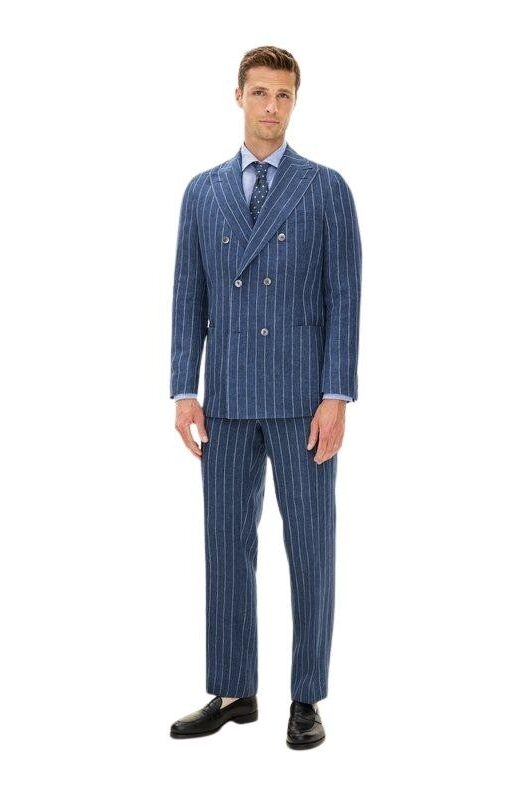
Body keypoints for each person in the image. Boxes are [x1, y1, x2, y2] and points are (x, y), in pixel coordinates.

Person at [168, 45, 362, 749]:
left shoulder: (325, 188)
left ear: (295, 101)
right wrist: (184, 389)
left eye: (283, 94)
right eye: (260, 92)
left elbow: (343, 296)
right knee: (226, 547)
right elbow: (189, 296)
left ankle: (306, 696)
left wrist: (336, 394)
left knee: (310, 549)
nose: (271, 106)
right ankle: (233, 690)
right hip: (224, 400)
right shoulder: (203, 191)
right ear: (238, 96)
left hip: (303, 399)